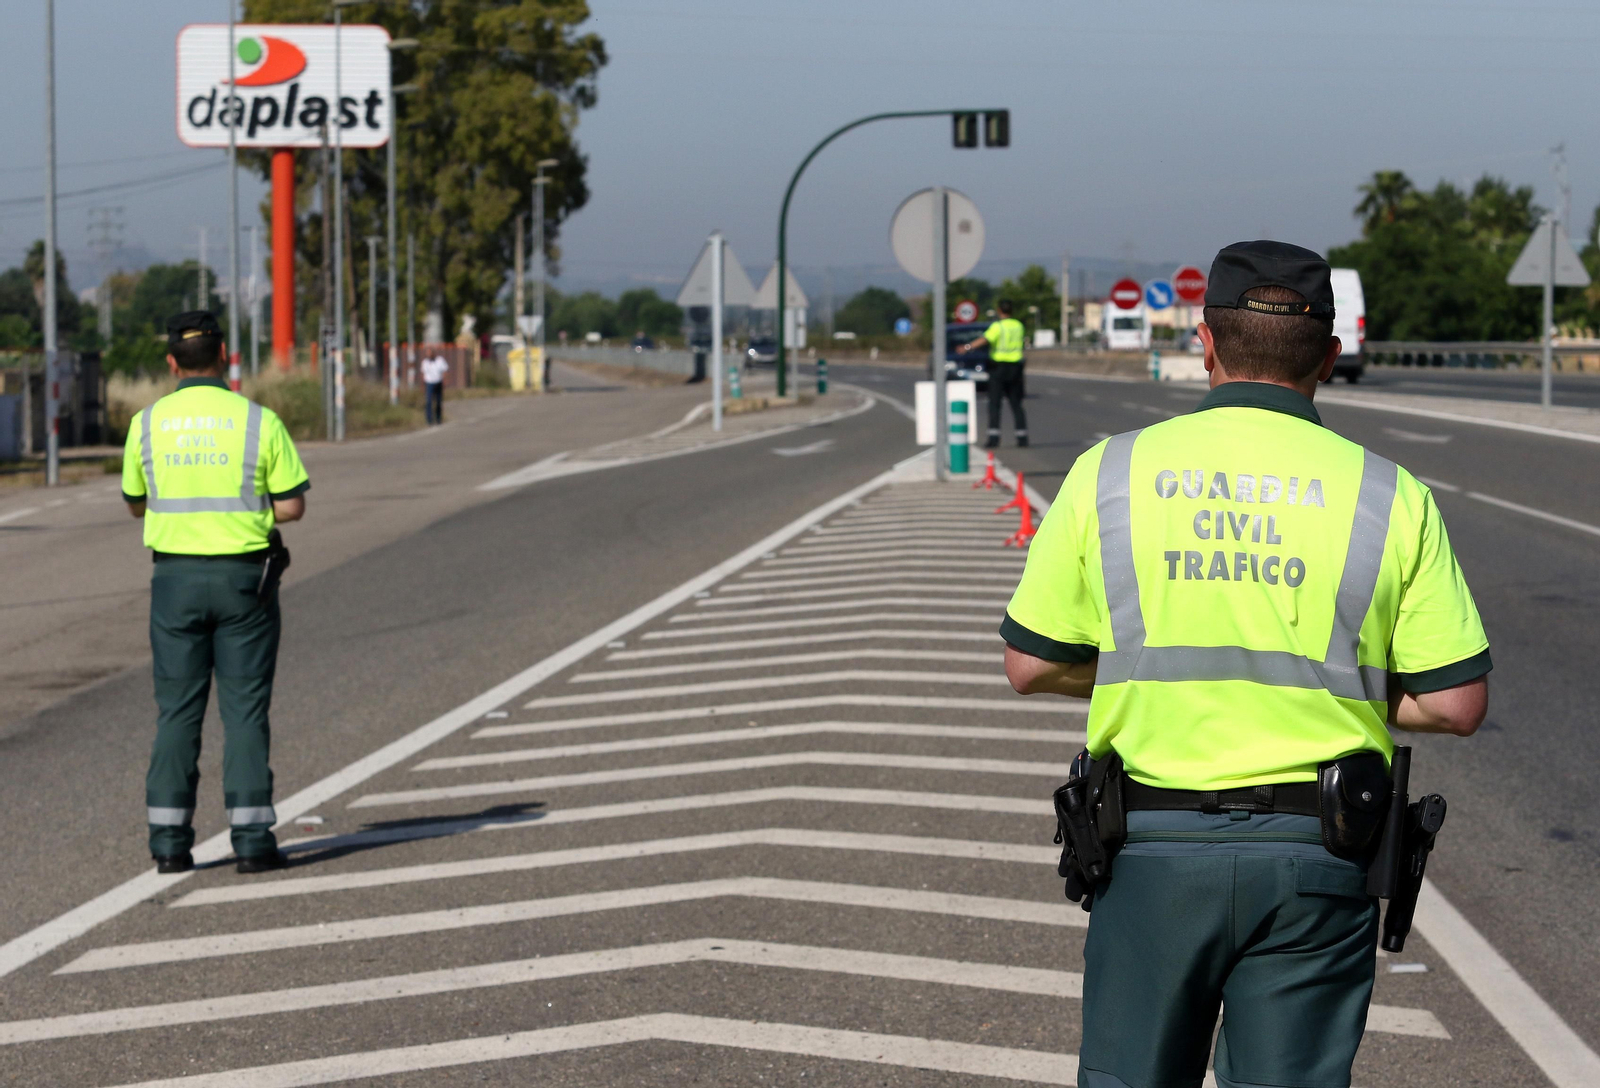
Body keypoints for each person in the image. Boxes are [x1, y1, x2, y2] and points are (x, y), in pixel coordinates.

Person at [1000, 241, 1490, 1088]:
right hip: (1319, 858)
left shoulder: (1108, 474)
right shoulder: (1389, 493)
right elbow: (1455, 704)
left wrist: (1135, 673)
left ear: (1205, 342)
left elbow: (1030, 666)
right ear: (1330, 358)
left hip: (1150, 852)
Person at [121, 311, 310, 875]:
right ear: (224, 355)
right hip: (244, 583)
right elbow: (293, 504)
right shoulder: (259, 421)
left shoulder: (146, 423)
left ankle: (169, 843)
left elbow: (136, 501)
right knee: (245, 711)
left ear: (172, 362)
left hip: (174, 581)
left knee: (177, 713)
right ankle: (252, 841)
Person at [958, 297, 1028, 448]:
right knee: (1016, 403)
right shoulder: (1019, 326)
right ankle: (1022, 437)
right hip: (1016, 367)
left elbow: (985, 339)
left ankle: (994, 438)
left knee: (994, 404)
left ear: (999, 310)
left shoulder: (998, 326)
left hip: (999, 368)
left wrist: (967, 347)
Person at [420, 350, 450, 424]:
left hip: (438, 382)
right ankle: (429, 419)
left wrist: (445, 380)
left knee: (438, 401)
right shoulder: (425, 362)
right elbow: (423, 374)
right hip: (429, 383)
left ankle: (438, 418)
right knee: (429, 401)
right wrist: (423, 385)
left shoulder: (440, 360)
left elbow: (445, 371)